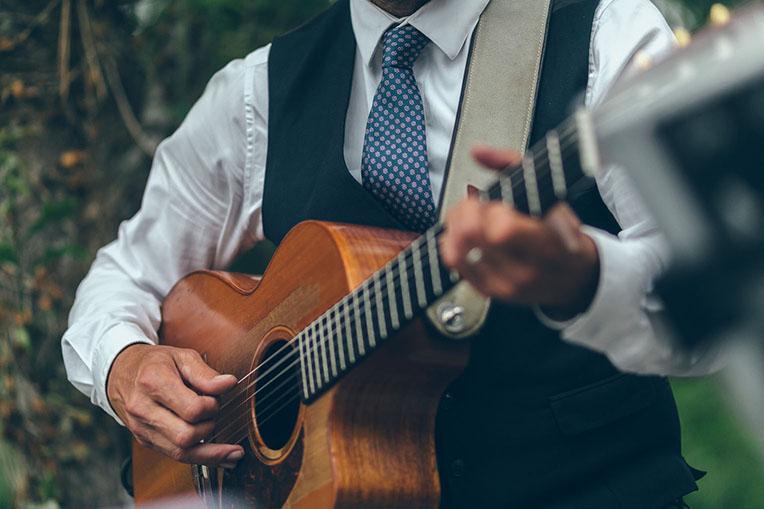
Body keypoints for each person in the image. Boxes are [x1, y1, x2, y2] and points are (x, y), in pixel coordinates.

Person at [62, 0, 723, 507]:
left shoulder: (607, 34)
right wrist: (123, 363)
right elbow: (124, 273)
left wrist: (586, 279)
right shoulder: (257, 93)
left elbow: (720, 302)